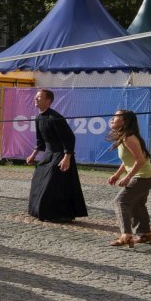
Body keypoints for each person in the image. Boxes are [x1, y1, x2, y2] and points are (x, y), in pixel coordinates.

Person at [26, 89, 88, 223]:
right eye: (35, 97)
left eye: (39, 97)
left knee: (51, 183)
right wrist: (33, 155)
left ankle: (58, 214)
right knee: (38, 180)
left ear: (48, 101)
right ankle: (39, 211)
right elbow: (40, 141)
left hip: (61, 154)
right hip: (48, 154)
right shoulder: (38, 118)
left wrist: (67, 157)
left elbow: (69, 138)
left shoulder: (55, 118)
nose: (35, 99)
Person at [106, 109, 151, 247]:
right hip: (146, 176)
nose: (112, 119)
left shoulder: (129, 138)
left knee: (120, 201)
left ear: (125, 121)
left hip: (143, 177)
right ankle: (145, 234)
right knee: (137, 204)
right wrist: (117, 175)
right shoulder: (124, 137)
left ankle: (126, 235)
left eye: (116, 117)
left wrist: (128, 177)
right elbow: (127, 160)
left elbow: (140, 160)